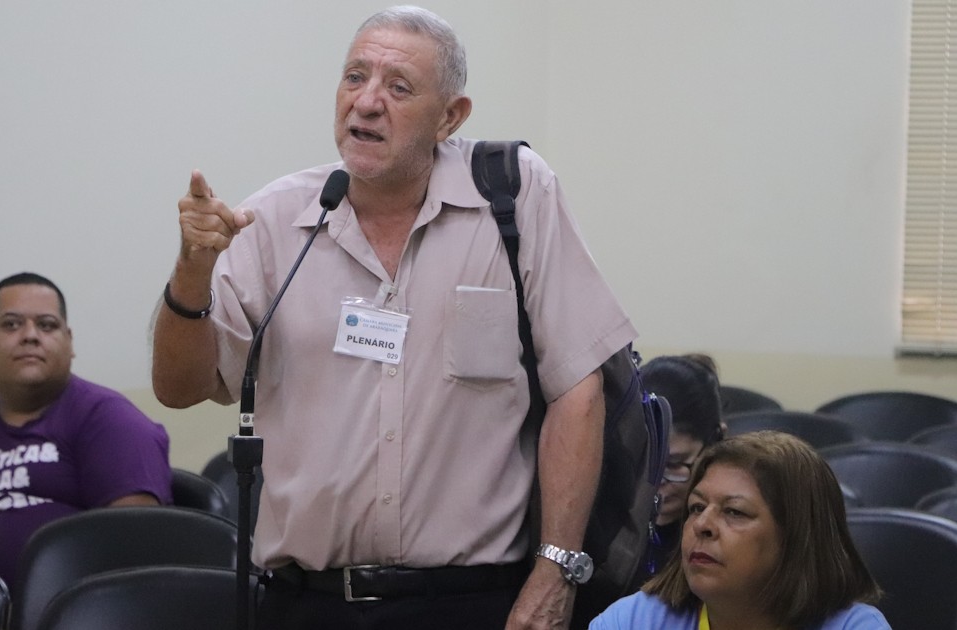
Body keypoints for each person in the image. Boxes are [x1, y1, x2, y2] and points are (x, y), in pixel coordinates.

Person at [151, 6, 635, 629]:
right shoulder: (273, 223)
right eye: (355, 77)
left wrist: (556, 571)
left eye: (398, 87)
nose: (367, 102)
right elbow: (179, 388)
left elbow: (577, 388)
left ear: (450, 117)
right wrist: (192, 269)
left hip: (474, 603)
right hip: (309, 603)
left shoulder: (513, 200)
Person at [0, 272, 173, 590]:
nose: (30, 335)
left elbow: (137, 550)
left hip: (68, 610)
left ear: (69, 340)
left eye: (47, 325)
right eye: (11, 324)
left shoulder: (110, 419)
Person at [589, 431, 888, 630]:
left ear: (795, 537)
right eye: (697, 507)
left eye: (734, 512)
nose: (702, 525)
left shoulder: (854, 627)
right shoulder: (634, 621)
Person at [639, 354, 727, 571]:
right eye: (642, 459)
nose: (656, 482)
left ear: (715, 443)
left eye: (674, 464)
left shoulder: (733, 531)